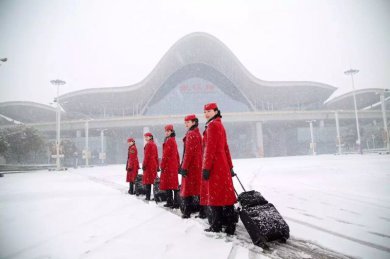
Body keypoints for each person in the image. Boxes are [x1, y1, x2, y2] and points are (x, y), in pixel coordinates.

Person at [201, 102, 237, 235]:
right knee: (225, 195)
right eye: (205, 112)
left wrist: (206, 168)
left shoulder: (212, 126)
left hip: (215, 165)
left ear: (216, 111)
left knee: (215, 195)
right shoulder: (220, 125)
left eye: (209, 111)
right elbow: (225, 147)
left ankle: (216, 225)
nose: (206, 114)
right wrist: (230, 166)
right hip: (222, 165)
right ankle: (229, 224)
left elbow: (209, 149)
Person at [179, 114, 203, 218]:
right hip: (197, 165)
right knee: (198, 190)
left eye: (188, 122)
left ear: (194, 122)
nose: (186, 125)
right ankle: (203, 212)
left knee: (187, 190)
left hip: (191, 166)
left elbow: (188, 153)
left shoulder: (191, 134)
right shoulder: (197, 133)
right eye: (185, 123)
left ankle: (187, 212)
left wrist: (184, 167)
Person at [160, 124, 180, 208]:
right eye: (166, 131)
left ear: (171, 131)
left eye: (168, 131)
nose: (167, 132)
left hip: (169, 165)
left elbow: (165, 155)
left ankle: (171, 202)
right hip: (172, 165)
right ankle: (174, 202)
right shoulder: (172, 140)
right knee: (173, 184)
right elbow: (176, 154)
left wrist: (162, 165)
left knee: (169, 184)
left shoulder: (169, 141)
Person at [142, 132, 159, 201]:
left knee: (148, 182)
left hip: (148, 165)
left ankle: (147, 196)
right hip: (153, 164)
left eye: (147, 136)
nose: (145, 138)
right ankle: (156, 196)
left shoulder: (148, 144)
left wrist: (144, 165)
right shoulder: (154, 144)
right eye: (145, 137)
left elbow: (146, 156)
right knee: (154, 181)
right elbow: (156, 156)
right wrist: (157, 165)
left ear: (151, 137)